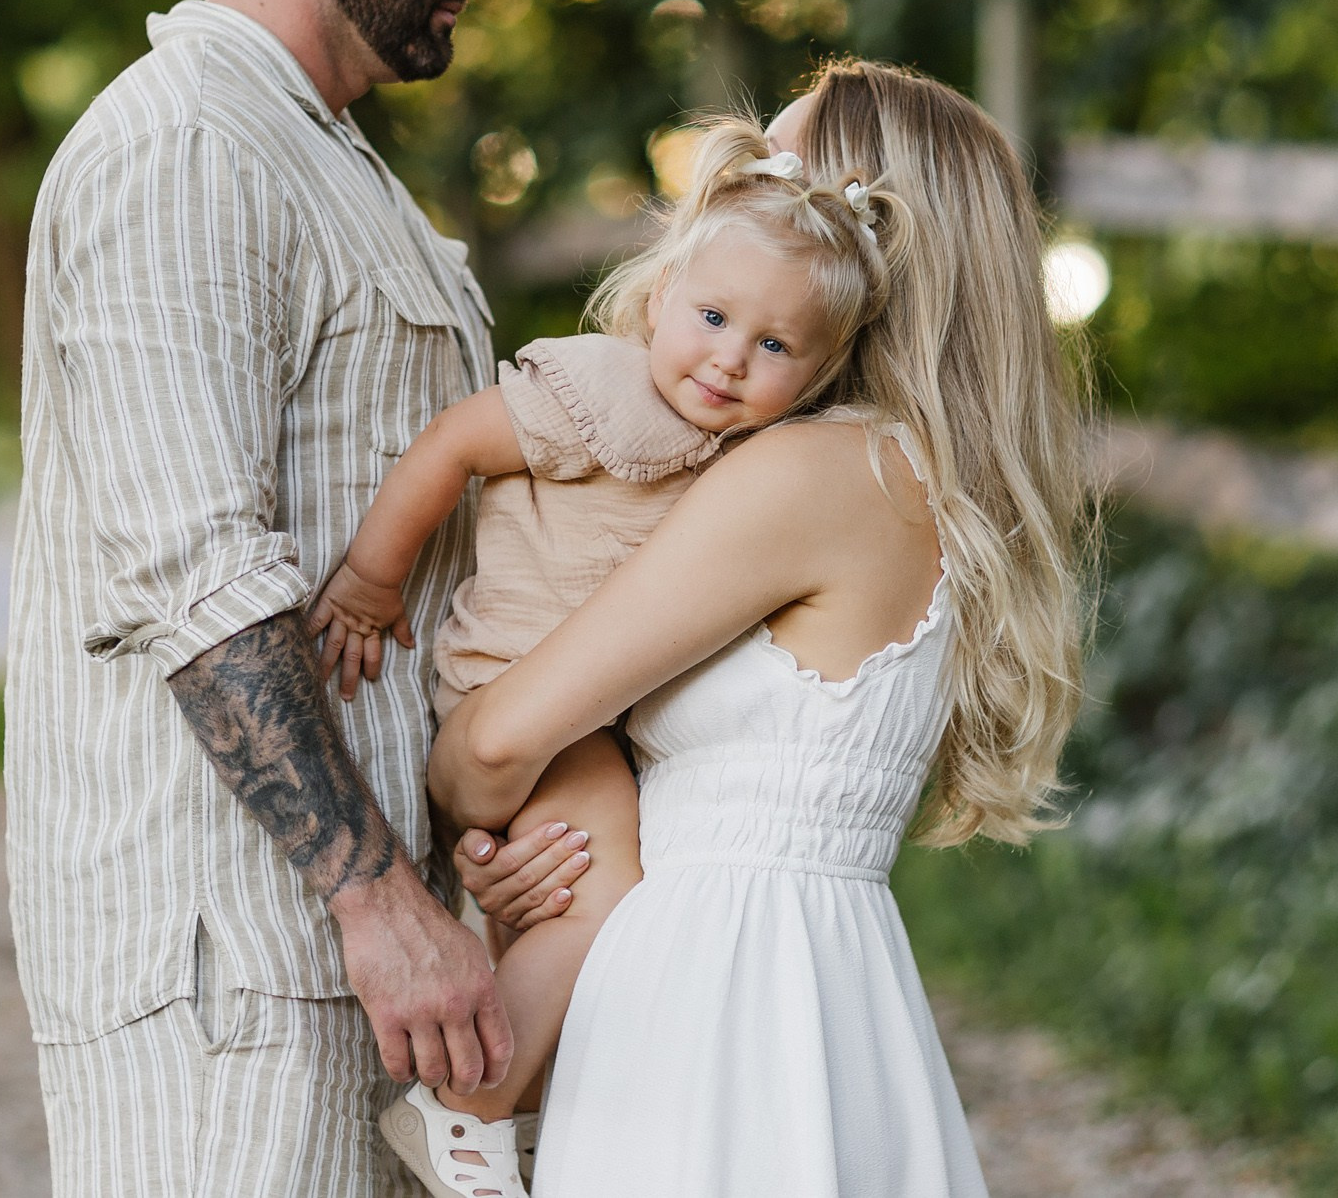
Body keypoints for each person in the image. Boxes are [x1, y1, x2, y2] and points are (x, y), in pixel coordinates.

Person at [5, 0, 555, 1197]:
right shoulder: (184, 148)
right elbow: (202, 573)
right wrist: (378, 898)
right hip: (231, 972)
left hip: (356, 955)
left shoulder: (332, 160)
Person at [437, 59, 1095, 1196]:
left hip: (710, 991)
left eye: (776, 175)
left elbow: (496, 745)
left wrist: (483, 808)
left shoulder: (807, 474)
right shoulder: (925, 483)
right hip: (832, 986)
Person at [304, 116, 907, 1198]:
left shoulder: (761, 463)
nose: (727, 358)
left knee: (569, 902)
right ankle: (470, 1104)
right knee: (609, 891)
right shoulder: (607, 395)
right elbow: (453, 445)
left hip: (578, 717)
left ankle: (515, 1103)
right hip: (520, 688)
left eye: (774, 347)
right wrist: (369, 578)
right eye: (713, 317)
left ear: (819, 376)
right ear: (658, 296)